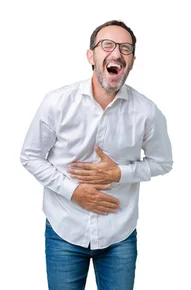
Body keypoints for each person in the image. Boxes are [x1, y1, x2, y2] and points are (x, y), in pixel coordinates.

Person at [20, 20, 173, 290]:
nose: (116, 53)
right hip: (64, 230)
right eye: (107, 45)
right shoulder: (57, 102)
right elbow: (30, 156)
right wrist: (73, 191)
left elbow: (162, 162)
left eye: (125, 48)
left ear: (133, 61)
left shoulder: (147, 112)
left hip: (119, 235)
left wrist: (120, 173)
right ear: (91, 55)